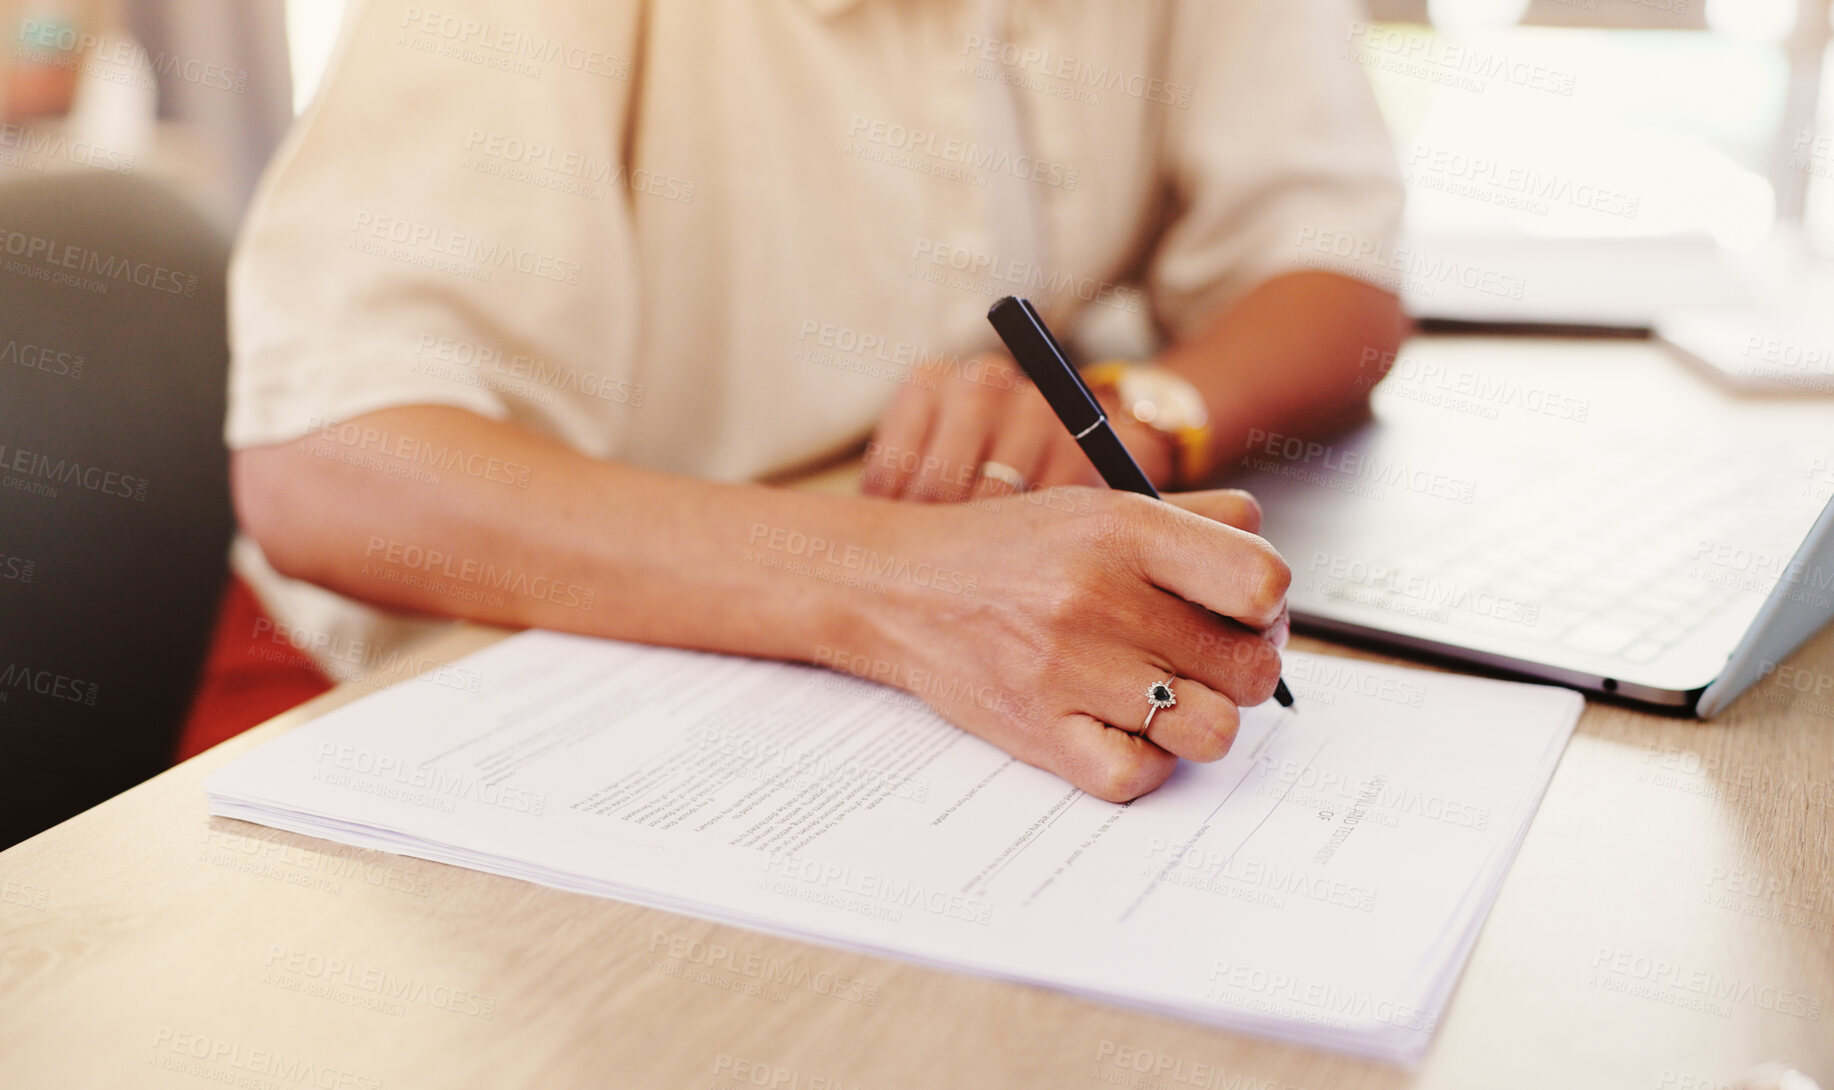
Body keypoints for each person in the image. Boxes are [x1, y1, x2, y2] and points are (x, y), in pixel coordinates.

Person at [215, 0, 1409, 802]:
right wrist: (897, 582)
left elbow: (1336, 269)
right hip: (408, 702)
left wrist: (1140, 406)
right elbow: (324, 465)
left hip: (843, 673)